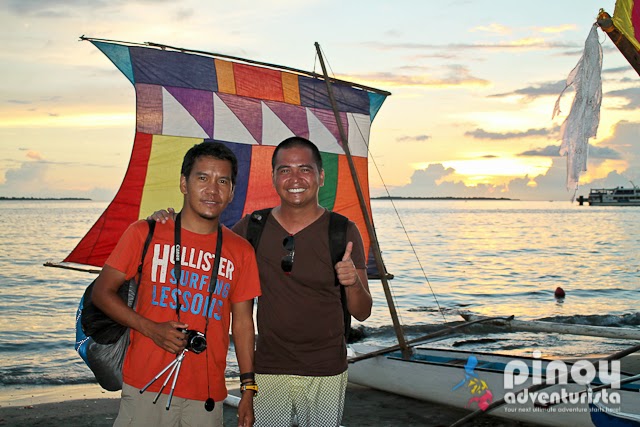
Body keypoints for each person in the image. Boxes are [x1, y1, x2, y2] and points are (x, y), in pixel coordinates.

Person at [152, 137, 373, 426]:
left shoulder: (342, 230)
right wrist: (168, 223)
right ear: (272, 177)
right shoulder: (253, 227)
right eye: (284, 170)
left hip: (327, 369)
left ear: (320, 176)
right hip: (268, 367)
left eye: (304, 169)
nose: (294, 178)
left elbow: (363, 311)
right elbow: (206, 247)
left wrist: (352, 282)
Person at [93, 142, 261, 427]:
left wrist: (248, 389)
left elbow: (243, 324)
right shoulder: (145, 232)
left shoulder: (241, 251)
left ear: (232, 191)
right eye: (202, 178)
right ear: (184, 183)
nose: (212, 190)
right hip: (146, 384)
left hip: (206, 392)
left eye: (223, 181)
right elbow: (102, 292)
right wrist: (151, 329)